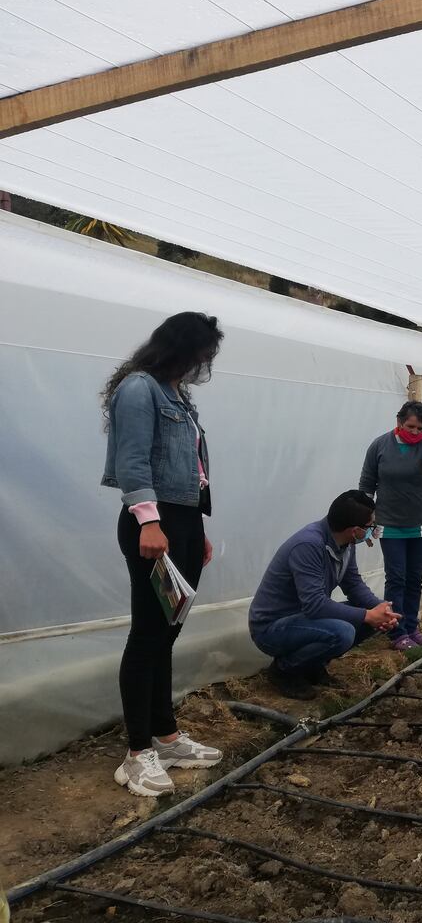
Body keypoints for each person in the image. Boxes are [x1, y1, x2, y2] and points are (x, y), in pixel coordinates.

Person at [101, 312, 226, 797]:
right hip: (153, 523)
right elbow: (133, 459)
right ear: (181, 347)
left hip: (182, 521)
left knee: (167, 631)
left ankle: (166, 735)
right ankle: (136, 754)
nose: (204, 363)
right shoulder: (140, 389)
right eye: (202, 352)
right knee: (147, 634)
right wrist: (149, 521)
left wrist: (196, 528)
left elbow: (189, 467)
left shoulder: (178, 396)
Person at [248, 491, 401, 700]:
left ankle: (313, 666)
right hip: (272, 628)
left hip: (304, 620)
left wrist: (381, 609)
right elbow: (314, 605)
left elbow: (353, 585)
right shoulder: (308, 545)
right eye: (370, 526)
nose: (372, 531)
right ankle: (284, 671)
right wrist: (368, 615)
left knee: (365, 621)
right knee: (344, 631)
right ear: (355, 530)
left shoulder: (345, 543)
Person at [359, 401, 422, 652]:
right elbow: (367, 484)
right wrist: (365, 519)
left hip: (421, 525)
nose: (414, 432)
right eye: (410, 426)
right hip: (389, 524)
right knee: (396, 578)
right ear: (399, 421)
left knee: (414, 579)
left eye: (419, 428)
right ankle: (396, 632)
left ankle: (412, 628)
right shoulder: (380, 446)